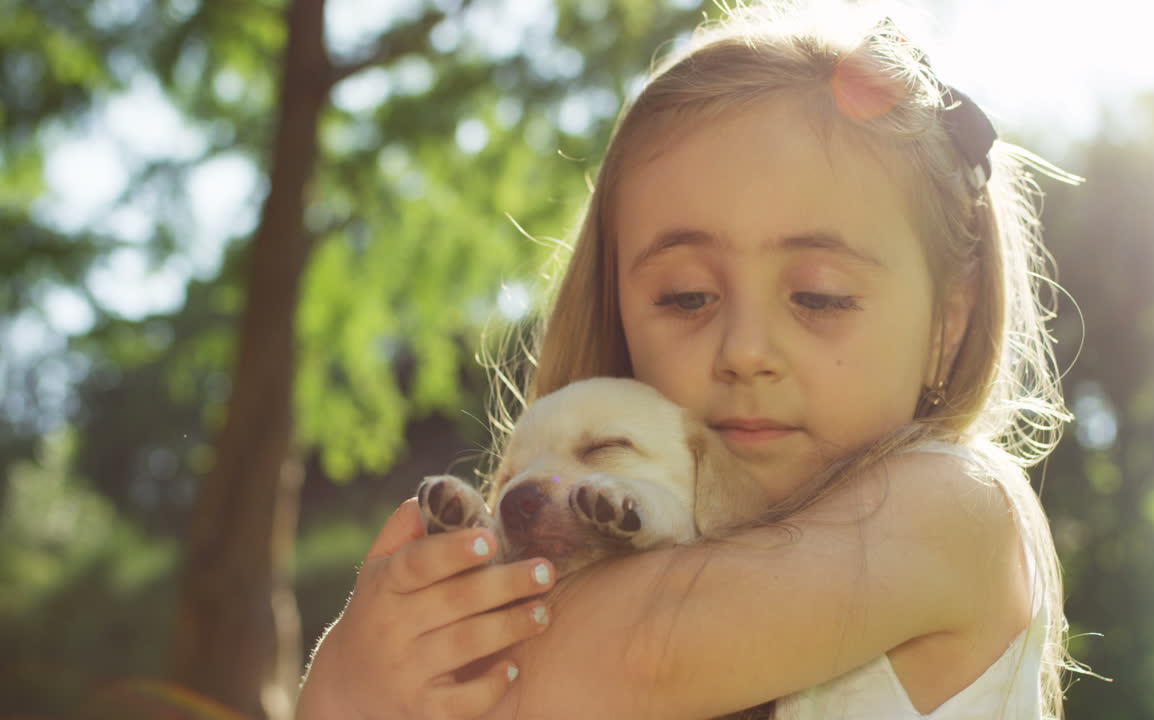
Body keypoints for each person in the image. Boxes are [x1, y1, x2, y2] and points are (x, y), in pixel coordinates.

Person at [296, 0, 1084, 717]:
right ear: (618, 313)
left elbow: (646, 656)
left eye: (818, 296)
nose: (744, 351)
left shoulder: (956, 506)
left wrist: (366, 692)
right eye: (684, 297)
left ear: (949, 320)